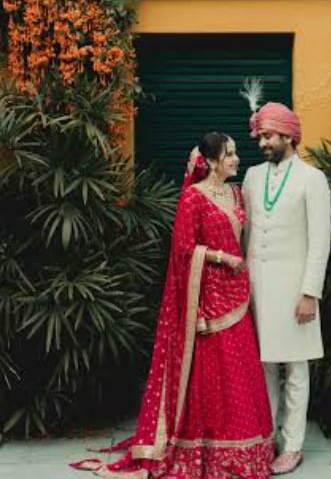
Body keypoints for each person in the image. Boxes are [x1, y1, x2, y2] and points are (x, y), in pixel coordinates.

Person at [71, 132, 274, 479]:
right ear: (212, 161)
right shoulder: (193, 197)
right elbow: (183, 250)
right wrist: (221, 257)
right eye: (229, 154)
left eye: (235, 153)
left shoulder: (237, 193)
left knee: (240, 370)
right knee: (212, 374)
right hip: (206, 298)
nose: (236, 159)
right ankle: (206, 451)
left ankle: (247, 450)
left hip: (237, 294)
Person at [241, 103, 331, 475]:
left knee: (295, 367)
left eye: (269, 136)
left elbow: (320, 240)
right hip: (256, 287)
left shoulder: (313, 178)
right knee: (263, 365)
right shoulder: (251, 176)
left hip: (296, 289)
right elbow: (245, 231)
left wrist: (310, 292)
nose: (263, 142)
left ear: (289, 136)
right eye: (261, 136)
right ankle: (266, 438)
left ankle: (293, 446)